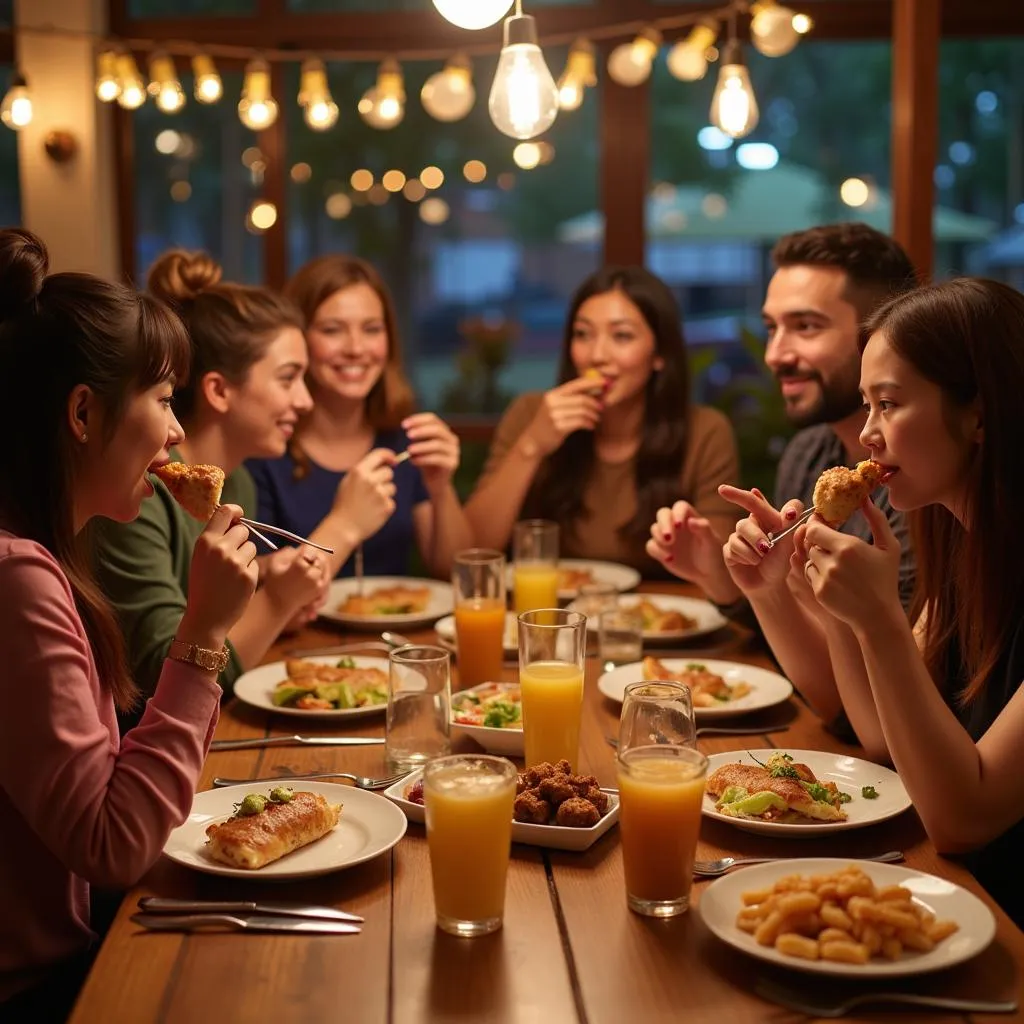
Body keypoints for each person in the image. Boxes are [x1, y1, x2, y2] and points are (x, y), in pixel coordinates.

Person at [0, 229, 258, 1019]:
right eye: (162, 399)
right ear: (84, 412)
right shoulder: (17, 580)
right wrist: (203, 634)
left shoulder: (42, 556)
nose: (178, 432)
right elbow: (112, 846)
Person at [735, 278, 1024, 926]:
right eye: (866, 405)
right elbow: (881, 740)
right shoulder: (963, 545)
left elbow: (962, 821)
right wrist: (815, 598)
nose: (867, 434)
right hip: (951, 898)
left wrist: (879, 619)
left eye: (889, 404)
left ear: (978, 414)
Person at [647, 223, 918, 722]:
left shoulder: (916, 488)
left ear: (881, 335)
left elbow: (876, 709)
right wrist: (725, 578)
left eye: (807, 326)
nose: (775, 355)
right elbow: (829, 680)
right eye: (772, 328)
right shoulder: (809, 454)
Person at [93, 251, 327, 722]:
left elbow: (211, 623)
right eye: (289, 378)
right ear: (219, 391)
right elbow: (165, 677)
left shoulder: (237, 479)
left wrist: (265, 579)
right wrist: (278, 601)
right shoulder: (138, 493)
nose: (305, 401)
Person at [466, 265, 739, 572]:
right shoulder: (532, 414)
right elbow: (473, 551)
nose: (597, 355)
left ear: (660, 353)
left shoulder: (704, 431)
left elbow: (723, 572)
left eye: (621, 336)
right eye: (582, 334)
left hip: (662, 613)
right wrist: (531, 446)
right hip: (551, 615)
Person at [247, 255, 471, 579]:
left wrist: (440, 487)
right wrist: (345, 521)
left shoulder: (403, 440)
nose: (356, 348)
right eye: (332, 330)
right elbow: (254, 593)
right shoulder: (265, 449)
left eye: (371, 329)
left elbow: (455, 575)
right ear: (298, 340)